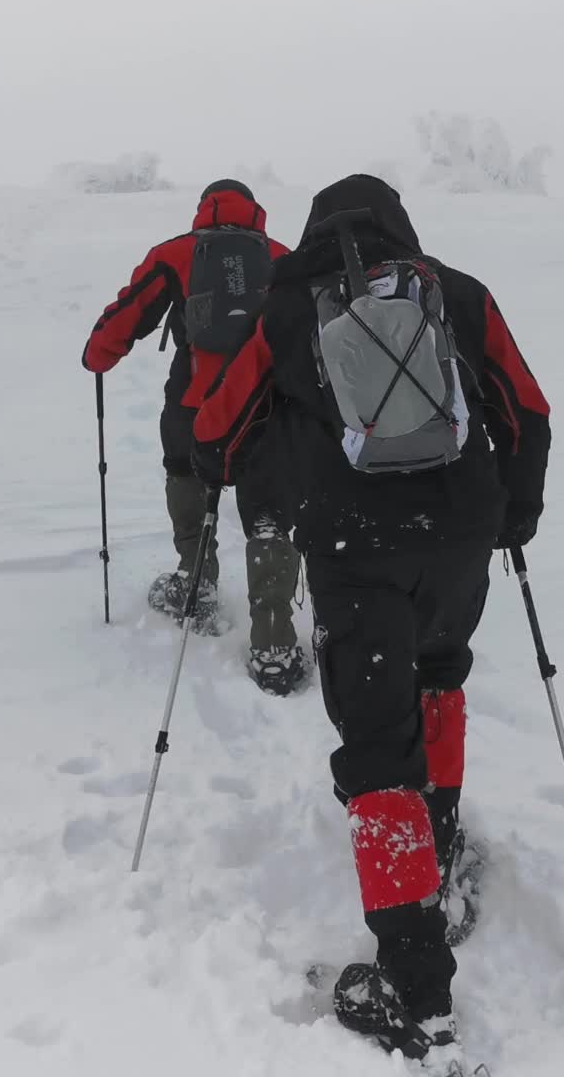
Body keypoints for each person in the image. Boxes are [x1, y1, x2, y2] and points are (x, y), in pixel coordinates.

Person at [192, 174, 550, 1059]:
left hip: (354, 553)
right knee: (440, 675)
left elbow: (218, 432)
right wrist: (515, 515)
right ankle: (444, 845)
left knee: (379, 754)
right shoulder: (456, 292)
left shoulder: (286, 308)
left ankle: (416, 989)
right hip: (460, 538)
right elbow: (529, 411)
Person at [82, 179, 304, 695]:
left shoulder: (177, 253)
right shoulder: (282, 257)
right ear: (255, 212)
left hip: (193, 403)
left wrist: (98, 355)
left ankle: (196, 583)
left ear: (203, 209)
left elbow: (126, 316)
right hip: (265, 408)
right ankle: (273, 645)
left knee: (186, 475)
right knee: (268, 513)